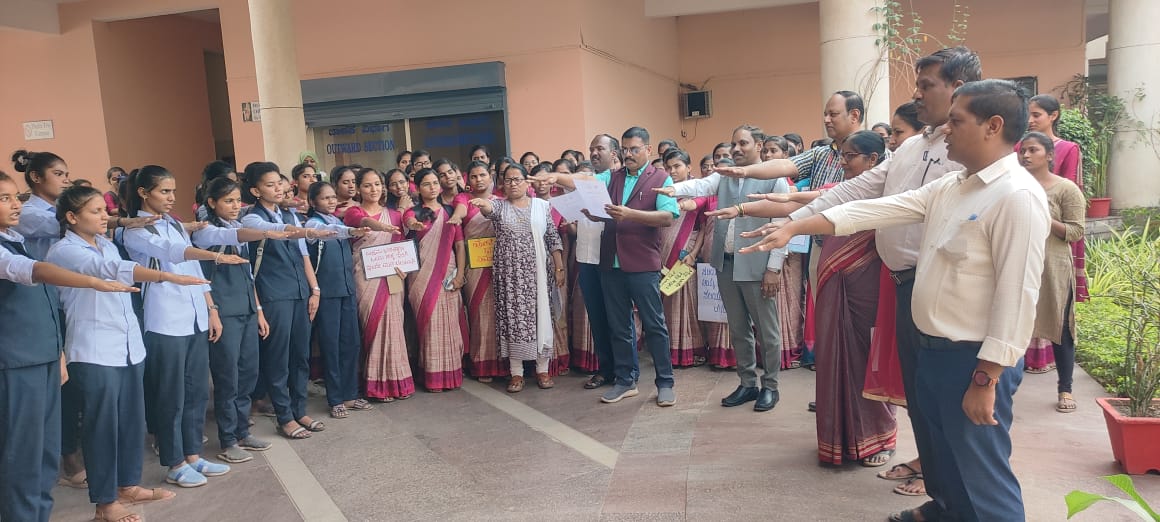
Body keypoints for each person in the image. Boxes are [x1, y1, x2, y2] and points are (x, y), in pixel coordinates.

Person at [748, 79, 1046, 522]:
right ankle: (947, 513)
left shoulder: (1016, 197)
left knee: (982, 475)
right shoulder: (954, 186)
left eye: (957, 122)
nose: (945, 131)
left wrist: (987, 377)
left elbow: (1017, 295)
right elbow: (881, 208)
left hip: (973, 361)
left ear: (993, 126)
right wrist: (798, 224)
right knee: (943, 458)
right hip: (933, 350)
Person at [733, 46, 981, 508]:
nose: (916, 93)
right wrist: (798, 219)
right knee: (924, 403)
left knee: (953, 407)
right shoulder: (911, 147)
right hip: (906, 285)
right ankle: (940, 499)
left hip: (949, 290)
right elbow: (857, 190)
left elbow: (890, 207)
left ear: (958, 90)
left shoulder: (974, 157)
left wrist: (797, 221)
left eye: (926, 84)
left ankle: (961, 502)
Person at [48, 185, 207, 522]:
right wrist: (166, 276)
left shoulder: (106, 243)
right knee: (102, 426)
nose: (104, 216)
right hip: (94, 349)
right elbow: (109, 271)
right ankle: (105, 503)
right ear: (72, 217)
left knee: (131, 421)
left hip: (128, 347)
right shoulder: (63, 251)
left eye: (104, 210)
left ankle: (128, 485)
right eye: (95, 211)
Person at [0, 173, 142, 522]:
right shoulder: (23, 252)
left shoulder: (15, 239)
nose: (15, 204)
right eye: (4, 199)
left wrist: (57, 352)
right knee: (22, 455)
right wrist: (94, 282)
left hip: (42, 356)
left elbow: (48, 305)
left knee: (45, 454)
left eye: (13, 197)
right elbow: (29, 271)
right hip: (15, 363)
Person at [760, 131, 900, 465]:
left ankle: (880, 437)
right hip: (835, 284)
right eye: (842, 154)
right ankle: (840, 438)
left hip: (867, 289)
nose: (842, 161)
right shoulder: (841, 191)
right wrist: (741, 206)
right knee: (836, 358)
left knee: (867, 359)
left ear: (873, 161)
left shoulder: (888, 194)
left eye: (851, 156)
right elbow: (803, 200)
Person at [121, 165, 250, 487]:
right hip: (163, 321)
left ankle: (193, 454)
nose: (171, 197)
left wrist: (211, 309)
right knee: (170, 395)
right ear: (143, 193)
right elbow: (172, 253)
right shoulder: (135, 231)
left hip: (193, 317)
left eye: (173, 191)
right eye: (164, 191)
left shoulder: (174, 224)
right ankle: (174, 461)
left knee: (194, 393)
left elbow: (193, 268)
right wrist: (216, 257)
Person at [535, 127, 678, 407]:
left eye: (635, 149)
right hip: (610, 264)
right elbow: (582, 181)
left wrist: (630, 214)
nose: (628, 154)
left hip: (642, 264)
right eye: (625, 149)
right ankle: (625, 381)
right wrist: (555, 176)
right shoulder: (611, 177)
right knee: (619, 326)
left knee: (654, 324)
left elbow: (667, 216)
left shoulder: (660, 178)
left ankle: (665, 382)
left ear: (648, 150)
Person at [662, 125, 790, 413]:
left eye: (743, 143)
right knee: (738, 327)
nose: (736, 149)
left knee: (767, 331)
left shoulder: (774, 178)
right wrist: (673, 188)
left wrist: (774, 268)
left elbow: (784, 223)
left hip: (758, 265)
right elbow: (700, 186)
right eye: (734, 143)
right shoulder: (726, 175)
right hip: (727, 265)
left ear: (759, 146)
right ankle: (747, 383)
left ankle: (770, 386)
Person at [192, 177, 287, 464]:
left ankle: (243, 430)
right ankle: (228, 438)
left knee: (248, 373)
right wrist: (213, 312)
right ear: (212, 203)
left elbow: (248, 276)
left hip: (245, 308)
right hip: (224, 311)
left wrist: (258, 310)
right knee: (227, 377)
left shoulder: (237, 227)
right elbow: (203, 277)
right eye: (228, 201)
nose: (236, 206)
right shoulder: (205, 232)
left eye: (238, 201)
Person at [240, 162, 331, 440]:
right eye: (270, 185)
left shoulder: (290, 213)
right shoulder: (251, 219)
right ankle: (284, 416)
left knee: (300, 355)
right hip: (274, 294)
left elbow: (304, 256)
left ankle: (299, 408)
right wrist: (308, 230)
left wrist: (314, 290)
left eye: (279, 182)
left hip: (299, 292)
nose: (278, 188)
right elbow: (278, 230)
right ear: (255, 190)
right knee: (278, 358)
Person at [468, 164, 565, 392]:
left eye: (517, 179)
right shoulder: (500, 206)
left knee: (541, 318)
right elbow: (489, 210)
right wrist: (483, 205)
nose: (513, 183)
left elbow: (552, 236)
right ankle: (517, 373)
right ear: (502, 183)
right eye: (508, 180)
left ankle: (542, 370)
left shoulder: (541, 207)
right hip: (510, 277)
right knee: (513, 323)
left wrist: (559, 267)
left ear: (526, 182)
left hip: (538, 275)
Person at [1022, 93, 1088, 373]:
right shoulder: (1022, 149)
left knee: (1057, 305)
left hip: (1056, 231)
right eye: (1029, 114)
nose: (1031, 119)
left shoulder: (1068, 149)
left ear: (1054, 115)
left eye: (1037, 114)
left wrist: (1046, 214)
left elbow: (1069, 198)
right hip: (1026, 237)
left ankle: (1065, 384)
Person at [1020, 132, 1085, 413]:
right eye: (1022, 150)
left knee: (1060, 328)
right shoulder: (1015, 187)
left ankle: (1065, 388)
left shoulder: (1065, 189)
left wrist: (1045, 218)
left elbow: (1075, 231)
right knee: (1012, 324)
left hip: (1053, 267)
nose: (1025, 155)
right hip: (1019, 264)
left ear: (1049, 155)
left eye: (1032, 150)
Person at [573, 135, 638, 387]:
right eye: (591, 149)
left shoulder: (619, 181)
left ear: (614, 154)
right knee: (597, 316)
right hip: (586, 255)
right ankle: (606, 368)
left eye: (599, 148)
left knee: (619, 318)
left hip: (612, 257)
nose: (594, 152)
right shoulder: (584, 183)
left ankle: (628, 371)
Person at [345, 168, 414, 401]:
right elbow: (361, 221)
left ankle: (398, 381)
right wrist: (380, 227)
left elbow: (401, 246)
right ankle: (377, 385)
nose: (373, 189)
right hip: (365, 277)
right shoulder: (353, 211)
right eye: (367, 185)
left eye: (377, 184)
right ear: (359, 189)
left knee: (395, 326)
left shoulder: (394, 215)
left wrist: (404, 267)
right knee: (372, 327)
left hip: (393, 276)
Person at [404, 168, 468, 392]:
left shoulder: (451, 211)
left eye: (435, 183)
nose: (432, 187)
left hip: (447, 271)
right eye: (426, 184)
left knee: (449, 324)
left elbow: (459, 245)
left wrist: (460, 274)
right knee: (429, 324)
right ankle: (432, 375)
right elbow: (409, 221)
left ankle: (450, 375)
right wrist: (414, 225)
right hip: (420, 274)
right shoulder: (413, 212)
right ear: (418, 188)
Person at [458, 161, 504, 382]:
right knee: (478, 316)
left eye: (482, 175)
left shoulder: (502, 202)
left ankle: (505, 363)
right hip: (475, 266)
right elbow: (459, 218)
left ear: (491, 176)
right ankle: (482, 363)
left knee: (500, 313)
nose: (478, 180)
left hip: (501, 264)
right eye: (473, 176)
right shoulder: (463, 201)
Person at [661, 149, 707, 367]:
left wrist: (693, 253)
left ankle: (692, 351)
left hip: (686, 255)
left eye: (677, 166)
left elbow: (704, 227)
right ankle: (672, 352)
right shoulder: (663, 194)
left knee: (687, 305)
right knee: (669, 307)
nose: (673, 171)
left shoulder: (700, 191)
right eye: (668, 167)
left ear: (689, 167)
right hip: (663, 256)